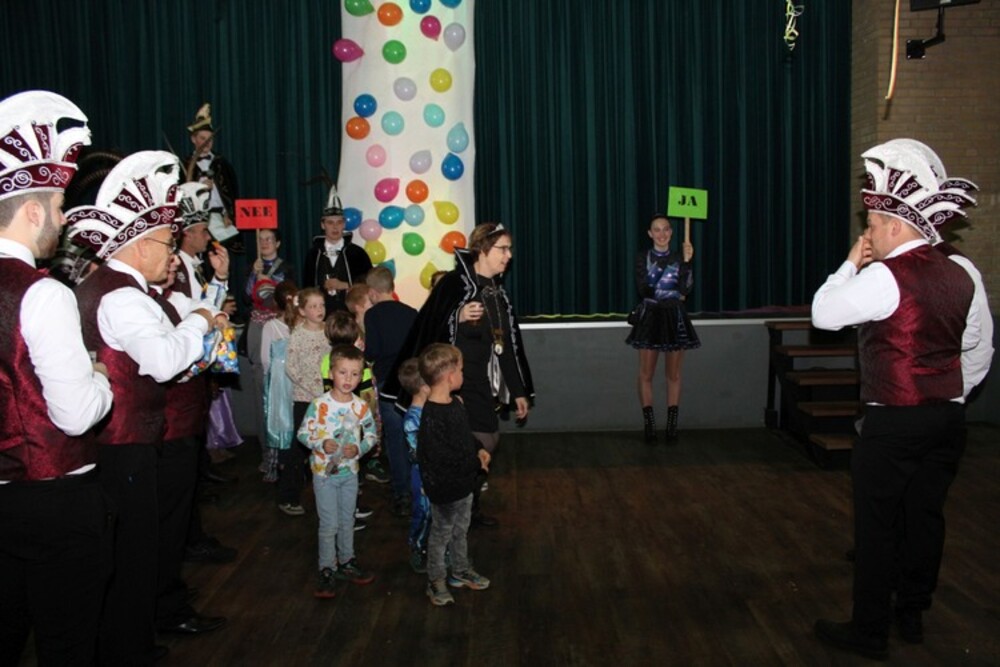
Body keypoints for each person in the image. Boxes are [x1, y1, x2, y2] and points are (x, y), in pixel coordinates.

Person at [811, 139, 991, 660]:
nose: (867, 232)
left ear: (894, 225)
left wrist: (849, 263)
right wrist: (950, 394)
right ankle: (912, 610)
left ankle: (869, 630)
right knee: (925, 516)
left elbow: (824, 314)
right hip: (947, 419)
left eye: (871, 223)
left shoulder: (884, 276)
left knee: (877, 525)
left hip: (894, 423)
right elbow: (977, 347)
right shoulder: (963, 273)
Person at [69, 150, 221, 665]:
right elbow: (164, 363)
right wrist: (199, 321)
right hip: (125, 443)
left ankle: (123, 642)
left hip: (115, 441)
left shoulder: (103, 286)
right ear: (138, 245)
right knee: (133, 552)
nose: (170, 252)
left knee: (124, 552)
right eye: (165, 242)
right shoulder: (124, 296)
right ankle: (126, 650)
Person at [0, 90, 114, 667]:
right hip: (54, 498)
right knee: (67, 644)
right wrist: (100, 377)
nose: (66, 217)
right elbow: (74, 414)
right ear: (33, 211)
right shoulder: (43, 293)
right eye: (60, 203)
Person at [383, 222, 534, 528]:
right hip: (451, 387)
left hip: (479, 382)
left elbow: (506, 345)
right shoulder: (454, 285)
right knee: (471, 445)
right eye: (503, 249)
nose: (509, 255)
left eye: (509, 249)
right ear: (483, 250)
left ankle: (467, 506)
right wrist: (458, 316)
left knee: (486, 440)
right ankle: (457, 512)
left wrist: (519, 390)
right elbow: (430, 327)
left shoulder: (496, 293)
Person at [297, 344, 377, 598]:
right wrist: (321, 444)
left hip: (349, 474)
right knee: (329, 523)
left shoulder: (361, 406)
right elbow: (302, 433)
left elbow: (372, 435)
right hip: (324, 475)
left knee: (347, 520)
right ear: (331, 373)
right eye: (343, 372)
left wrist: (359, 449)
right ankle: (327, 568)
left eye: (355, 374)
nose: (348, 379)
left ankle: (347, 561)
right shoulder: (319, 404)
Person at [417, 344, 492, 606]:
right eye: (461, 370)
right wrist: (474, 463)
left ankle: (460, 570)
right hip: (444, 488)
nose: (463, 374)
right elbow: (441, 457)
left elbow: (464, 438)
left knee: (461, 530)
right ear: (450, 376)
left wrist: (478, 448)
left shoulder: (456, 404)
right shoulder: (432, 416)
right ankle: (435, 579)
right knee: (441, 535)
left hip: (463, 484)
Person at [625, 215, 699, 444]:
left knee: (673, 375)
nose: (662, 234)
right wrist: (672, 289)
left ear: (671, 232)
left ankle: (671, 426)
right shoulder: (642, 257)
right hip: (650, 317)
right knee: (646, 374)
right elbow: (644, 289)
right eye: (657, 230)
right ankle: (650, 425)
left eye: (666, 229)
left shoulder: (680, 256)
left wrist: (687, 262)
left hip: (674, 317)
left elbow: (686, 290)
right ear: (650, 233)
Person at [365, 265, 418, 517]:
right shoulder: (411, 312)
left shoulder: (372, 315)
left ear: (372, 292)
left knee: (395, 441)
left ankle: (402, 494)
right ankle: (421, 490)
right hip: (411, 383)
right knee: (415, 437)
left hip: (387, 383)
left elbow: (373, 350)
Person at [246, 228, 295, 464]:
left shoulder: (287, 268)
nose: (264, 242)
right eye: (261, 239)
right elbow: (248, 295)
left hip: (281, 327)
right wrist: (254, 275)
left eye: (269, 239)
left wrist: (266, 278)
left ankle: (287, 448)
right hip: (258, 328)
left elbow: (286, 297)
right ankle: (266, 450)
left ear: (278, 243)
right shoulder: (254, 266)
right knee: (260, 387)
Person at [281, 286, 329, 516]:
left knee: (331, 444)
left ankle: (335, 493)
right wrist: (313, 390)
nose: (319, 310)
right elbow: (291, 368)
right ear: (302, 311)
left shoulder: (329, 331)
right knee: (299, 448)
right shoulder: (298, 335)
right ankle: (288, 496)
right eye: (313, 306)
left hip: (329, 399)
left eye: (322, 305)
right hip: (305, 399)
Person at [302, 185, 372, 314]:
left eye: (339, 222)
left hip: (352, 315)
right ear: (322, 225)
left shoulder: (357, 254)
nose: (335, 227)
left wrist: (345, 285)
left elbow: (369, 286)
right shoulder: (313, 255)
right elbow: (306, 289)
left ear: (344, 224)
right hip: (321, 316)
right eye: (330, 223)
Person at [184, 103, 242, 254]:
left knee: (222, 255)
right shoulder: (185, 166)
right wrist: (199, 188)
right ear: (193, 139)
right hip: (198, 222)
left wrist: (229, 214)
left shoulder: (222, 164)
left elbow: (232, 194)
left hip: (220, 220)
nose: (206, 143)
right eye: (202, 138)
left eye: (210, 139)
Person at [260, 280, 299, 482]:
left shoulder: (270, 326)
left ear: (275, 302)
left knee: (277, 418)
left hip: (278, 378)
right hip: (296, 376)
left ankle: (277, 463)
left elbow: (265, 359)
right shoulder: (301, 325)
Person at [398, 358, 432, 574]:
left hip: (434, 473)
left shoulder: (430, 410)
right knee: (423, 512)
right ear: (425, 388)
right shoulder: (413, 419)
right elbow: (418, 454)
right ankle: (417, 546)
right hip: (423, 475)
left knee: (435, 513)